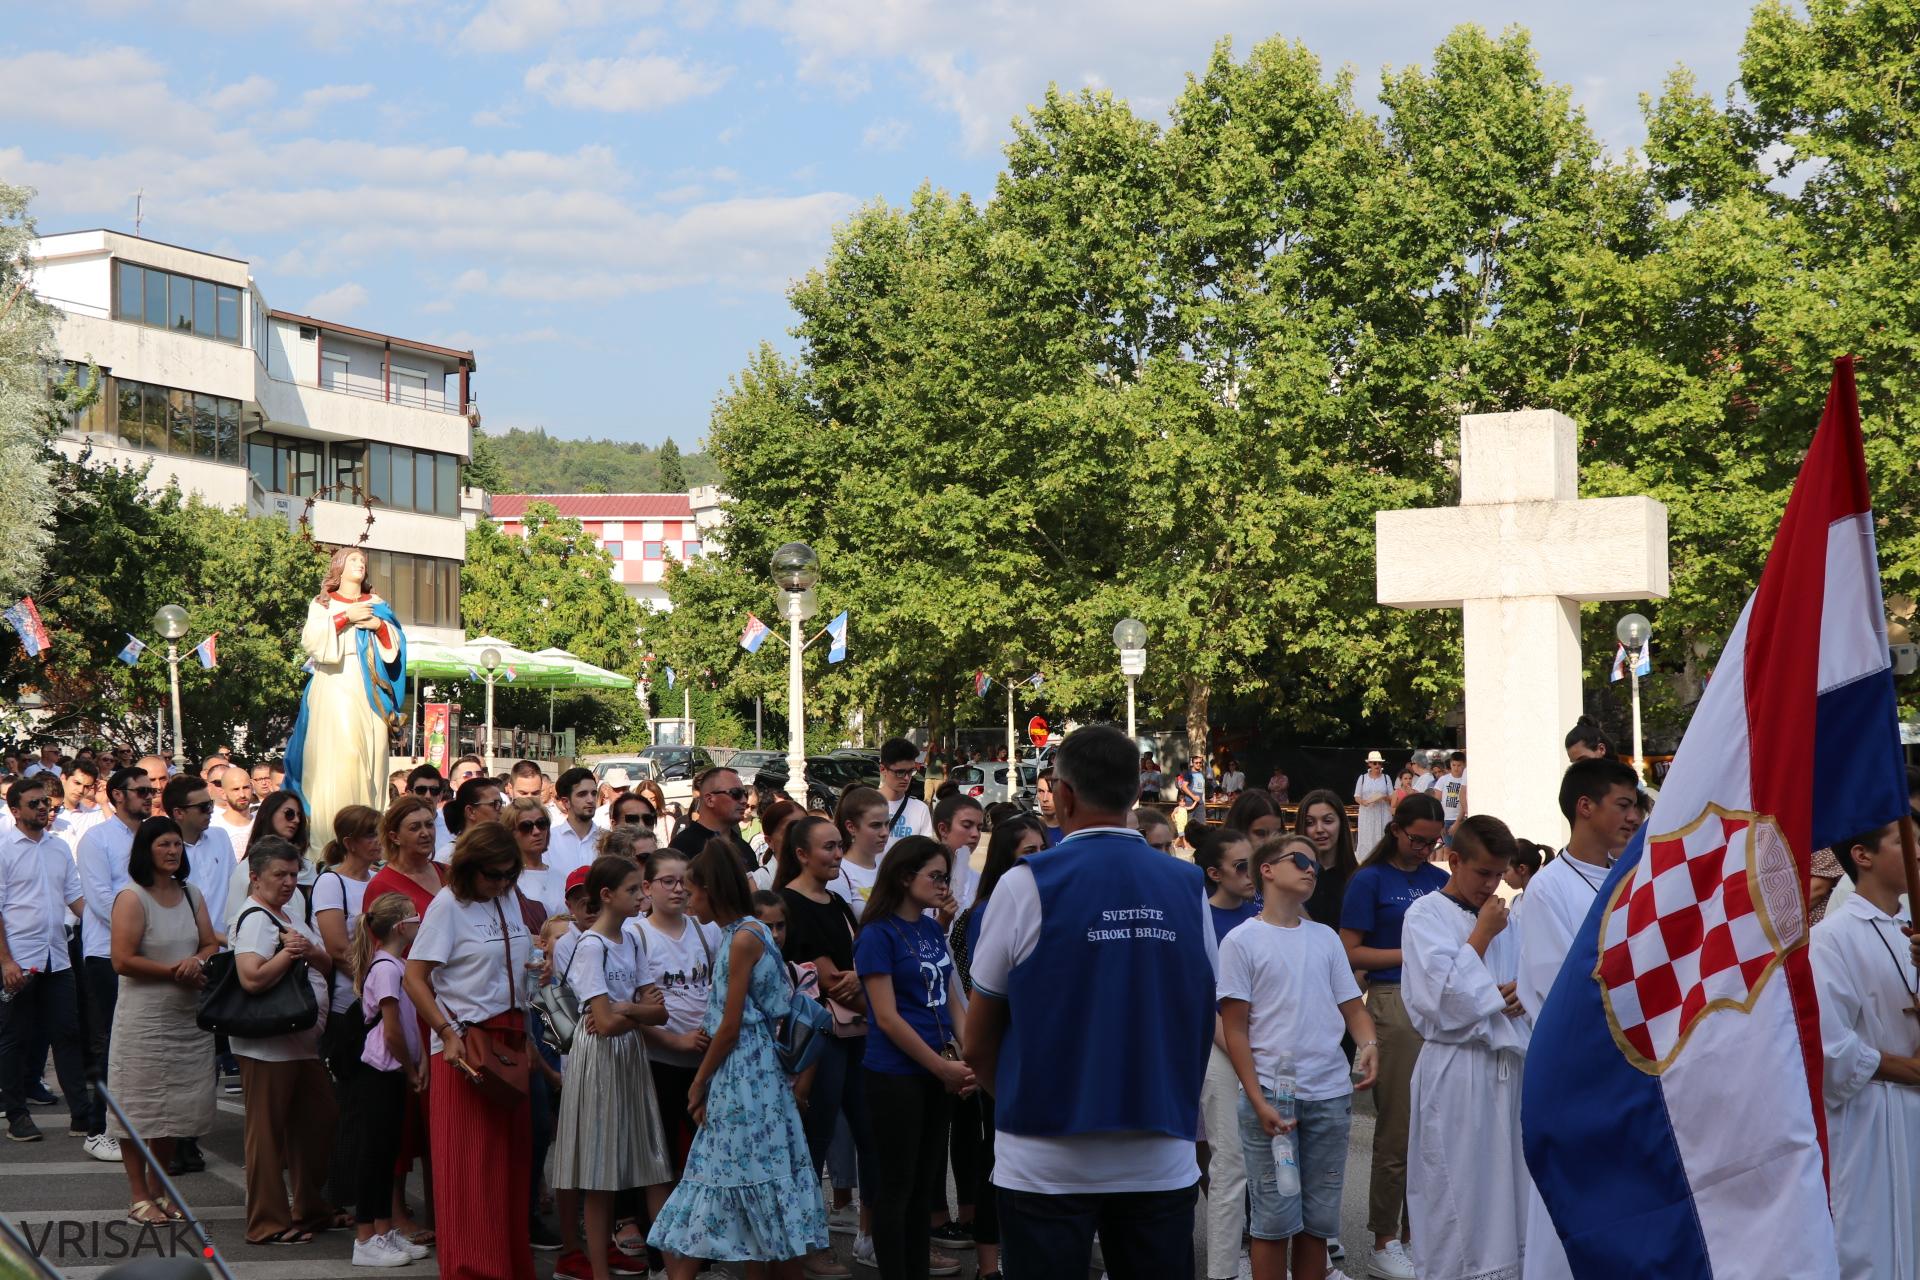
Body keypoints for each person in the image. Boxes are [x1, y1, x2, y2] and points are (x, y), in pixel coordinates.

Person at [965, 725, 1216, 1280]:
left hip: (1044, 1159)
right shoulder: (1187, 886)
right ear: (1135, 792)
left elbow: (978, 1038)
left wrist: (1029, 1101)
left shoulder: (1024, 884)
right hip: (1158, 1153)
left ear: (1066, 794)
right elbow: (1200, 1011)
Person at [648, 842, 830, 1277]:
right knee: (748, 1179)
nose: (688, 902)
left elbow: (730, 1027)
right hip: (756, 1074)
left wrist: (698, 1082)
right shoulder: (748, 931)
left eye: (692, 892)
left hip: (744, 1075)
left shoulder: (742, 938)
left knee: (724, 1176)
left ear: (711, 890)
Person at [1220, 834, 1379, 1280]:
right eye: (1299, 860)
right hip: (1272, 1094)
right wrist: (1256, 1098)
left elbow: (1353, 1009)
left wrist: (1369, 1045)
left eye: (1314, 863)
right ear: (1266, 869)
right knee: (1271, 1223)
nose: (1311, 868)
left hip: (1329, 1095)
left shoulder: (1325, 938)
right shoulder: (1241, 940)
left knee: (1317, 1224)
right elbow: (1235, 1028)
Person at [1515, 756, 1640, 1280]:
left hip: (1631, 1069)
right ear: (1584, 807)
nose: (1634, 817)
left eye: (1637, 806)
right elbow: (1559, 991)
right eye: (1624, 805)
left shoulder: (1630, 878)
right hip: (1581, 1071)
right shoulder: (1549, 889)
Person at [402, 822, 538, 1280]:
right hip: (466, 1047)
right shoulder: (447, 905)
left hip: (512, 1040)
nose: (500, 883)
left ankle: (507, 1266)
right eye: (492, 875)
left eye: (508, 874)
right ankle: (471, 1270)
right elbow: (414, 977)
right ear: (468, 869)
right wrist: (446, 1030)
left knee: (510, 1167)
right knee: (469, 1170)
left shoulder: (506, 896)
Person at [1400, 815, 1530, 1280]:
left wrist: (1513, 993)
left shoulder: (1506, 919)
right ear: (1454, 860)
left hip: (1505, 1070)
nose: (1492, 884)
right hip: (1456, 1070)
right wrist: (1481, 937)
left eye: (1500, 874)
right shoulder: (1425, 916)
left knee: (1508, 1193)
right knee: (1455, 1192)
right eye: (1482, 873)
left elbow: (1515, 991)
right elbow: (1439, 998)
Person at [1337, 790, 1447, 1280]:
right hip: (1392, 999)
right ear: (1396, 830)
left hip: (1440, 1003)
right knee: (1398, 1127)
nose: (1425, 849)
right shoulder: (1370, 879)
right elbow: (1350, 953)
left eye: (1433, 842)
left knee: (1435, 1127)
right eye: (1418, 840)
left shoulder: (1440, 881)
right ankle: (1384, 1238)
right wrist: (1412, 953)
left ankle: (1417, 1233)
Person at [856, 836, 974, 1280]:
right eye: (935, 876)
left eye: (946, 876)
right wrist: (940, 1065)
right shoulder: (876, 934)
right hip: (896, 1074)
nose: (944, 885)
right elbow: (885, 1018)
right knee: (897, 1186)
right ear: (906, 877)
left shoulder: (929, 928)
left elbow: (953, 1003)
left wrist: (970, 1057)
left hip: (937, 1070)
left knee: (925, 1184)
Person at [553, 856, 673, 1280]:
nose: (642, 896)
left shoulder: (631, 940)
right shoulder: (592, 945)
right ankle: (599, 1270)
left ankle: (664, 1265)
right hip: (601, 1060)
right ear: (607, 895)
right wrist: (636, 1011)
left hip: (629, 1054)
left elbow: (660, 1014)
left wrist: (628, 1009)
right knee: (600, 1171)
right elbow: (602, 1024)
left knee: (648, 1162)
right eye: (633, 890)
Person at [1811, 822, 1920, 1280]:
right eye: (1903, 842)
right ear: (1863, 855)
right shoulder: (1832, 937)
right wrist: (1909, 1069)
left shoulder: (1912, 931)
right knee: (1874, 1249)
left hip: (1912, 1110)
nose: (1917, 851)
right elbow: (1829, 1050)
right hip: (1872, 1117)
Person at [945, 813, 1044, 1280]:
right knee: (996, 1158)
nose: (1041, 860)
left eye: (1045, 849)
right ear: (1007, 859)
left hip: (1031, 1048)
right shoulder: (990, 911)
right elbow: (983, 990)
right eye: (1030, 852)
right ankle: (990, 1265)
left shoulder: (1039, 901)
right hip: (1001, 1051)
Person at [107, 815, 219, 1225]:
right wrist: (175, 970)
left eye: (177, 845)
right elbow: (122, 960)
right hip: (144, 1020)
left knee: (176, 1108)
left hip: (186, 1019)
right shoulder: (132, 897)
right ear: (146, 852)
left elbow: (209, 942)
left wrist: (197, 960)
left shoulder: (191, 894)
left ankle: (161, 1190)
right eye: (164, 845)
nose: (173, 852)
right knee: (138, 1108)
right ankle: (139, 1194)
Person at [777, 814, 873, 1277]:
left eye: (840, 846)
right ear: (801, 854)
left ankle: (871, 1238)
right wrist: (849, 981)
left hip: (854, 1032)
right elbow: (825, 979)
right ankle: (807, 1243)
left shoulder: (836, 900)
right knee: (813, 1140)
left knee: (870, 1134)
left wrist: (858, 980)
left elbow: (853, 966)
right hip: (819, 1037)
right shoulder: (787, 905)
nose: (838, 854)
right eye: (828, 847)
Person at [232, 836, 337, 1244]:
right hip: (268, 1046)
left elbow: (325, 963)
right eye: (280, 874)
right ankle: (267, 1223)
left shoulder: (289, 913)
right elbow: (251, 977)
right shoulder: (257, 917)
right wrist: (289, 954)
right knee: (267, 1134)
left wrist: (307, 949)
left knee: (318, 1121)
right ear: (256, 878)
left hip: (300, 1044)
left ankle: (309, 1209)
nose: (290, 881)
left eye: (294, 874)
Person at [286, 546, 408, 853]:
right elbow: (313, 641)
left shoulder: (377, 604)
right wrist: (344, 618)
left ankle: (371, 835)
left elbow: (396, 644)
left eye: (363, 561)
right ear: (339, 566)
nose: (360, 565)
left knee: (373, 755)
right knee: (342, 756)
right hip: (336, 682)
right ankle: (331, 839)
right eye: (353, 560)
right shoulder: (323, 603)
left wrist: (379, 627)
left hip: (371, 689)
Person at [636, 849, 721, 1249]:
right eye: (666, 881)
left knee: (705, 1159)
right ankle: (663, 1253)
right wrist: (675, 1040)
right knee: (662, 1158)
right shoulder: (637, 936)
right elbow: (631, 1011)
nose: (677, 889)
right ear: (647, 887)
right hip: (659, 1061)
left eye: (683, 881)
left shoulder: (706, 931)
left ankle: (702, 1249)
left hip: (705, 1060)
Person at [0, 775, 90, 1146]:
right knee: (14, 1038)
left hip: (57, 957)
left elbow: (76, 898)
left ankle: (82, 1115)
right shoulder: (3, 848)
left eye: (46, 803)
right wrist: (5, 961)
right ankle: (17, 1114)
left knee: (67, 1034)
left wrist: (113, 929)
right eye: (35, 803)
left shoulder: (58, 848)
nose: (43, 808)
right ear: (15, 809)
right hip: (18, 960)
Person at [73, 765, 155, 1161]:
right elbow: (100, 897)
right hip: (107, 952)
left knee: (141, 1042)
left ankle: (134, 1124)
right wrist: (141, 931)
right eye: (140, 790)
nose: (148, 795)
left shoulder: (154, 835)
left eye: (151, 789)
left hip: (150, 951)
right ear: (117, 795)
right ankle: (97, 1128)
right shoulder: (97, 839)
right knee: (110, 1040)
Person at [346, 891, 428, 1269]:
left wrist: (420, 1058)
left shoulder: (397, 964)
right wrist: (411, 1069)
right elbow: (392, 1030)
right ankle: (366, 1237)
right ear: (400, 926)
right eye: (414, 915)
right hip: (379, 1073)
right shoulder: (386, 968)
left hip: (394, 1071)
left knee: (386, 1152)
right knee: (373, 1155)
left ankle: (383, 1229)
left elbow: (409, 1026)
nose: (419, 919)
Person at [1195, 825, 1258, 1280]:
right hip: (1220, 1048)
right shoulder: (1199, 916)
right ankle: (1223, 1267)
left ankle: (1267, 1255)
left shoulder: (1262, 912)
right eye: (1241, 866)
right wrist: (1238, 1051)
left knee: (1274, 1163)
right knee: (1230, 1164)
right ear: (1214, 873)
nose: (1251, 872)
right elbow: (1203, 997)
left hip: (1264, 1045)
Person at [314, 803, 381, 1221]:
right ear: (350, 842)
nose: (380, 842)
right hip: (349, 1005)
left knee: (373, 1104)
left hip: (378, 1001)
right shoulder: (330, 883)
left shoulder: (377, 880)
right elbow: (337, 948)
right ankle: (339, 1192)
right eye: (373, 834)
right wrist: (379, 977)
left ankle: (361, 1190)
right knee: (350, 1101)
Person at [227, 792, 310, 937]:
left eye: (299, 815)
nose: (296, 820)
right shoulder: (247, 868)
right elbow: (239, 925)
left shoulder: (308, 868)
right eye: (289, 814)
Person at [367, 797, 447, 920]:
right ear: (395, 837)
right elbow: (375, 937)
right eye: (414, 828)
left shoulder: (448, 872)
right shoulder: (382, 886)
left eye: (429, 825)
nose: (425, 833)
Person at [1293, 789, 1359, 930]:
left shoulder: (1358, 878)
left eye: (1328, 821)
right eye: (1310, 823)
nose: (1319, 829)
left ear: (1341, 824)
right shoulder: (1289, 876)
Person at [670, 768, 755, 870]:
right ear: (710, 800)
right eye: (735, 793)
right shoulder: (682, 847)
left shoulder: (744, 848)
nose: (744, 800)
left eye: (745, 794)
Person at [505, 797, 566, 923]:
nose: (537, 831)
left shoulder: (561, 877)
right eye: (526, 827)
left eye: (541, 823)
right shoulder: (504, 880)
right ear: (510, 833)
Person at [931, 793, 985, 917]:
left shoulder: (979, 882)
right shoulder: (919, 878)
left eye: (979, 828)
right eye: (967, 825)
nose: (975, 834)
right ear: (943, 829)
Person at [877, 739, 933, 853]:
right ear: (883, 769)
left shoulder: (920, 809)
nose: (906, 778)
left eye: (910, 771)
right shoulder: (865, 804)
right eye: (900, 772)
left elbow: (925, 854)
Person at [549, 768, 607, 878]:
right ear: (566, 802)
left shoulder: (608, 839)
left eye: (594, 793)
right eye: (582, 794)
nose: (590, 799)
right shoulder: (549, 841)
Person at [751, 798, 802, 890]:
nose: (798, 837)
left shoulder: (822, 876)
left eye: (804, 829)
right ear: (769, 841)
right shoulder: (757, 883)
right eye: (789, 831)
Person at [1353, 752, 1393, 854]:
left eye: (1379, 763)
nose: (1378, 765)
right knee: (1367, 837)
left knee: (1382, 836)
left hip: (1382, 812)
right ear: (1369, 764)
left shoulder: (1386, 778)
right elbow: (1357, 796)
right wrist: (1363, 802)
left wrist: (1383, 797)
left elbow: (1392, 797)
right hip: (1367, 813)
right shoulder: (1362, 778)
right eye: (1375, 763)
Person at [1174, 754, 1207, 842]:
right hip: (1189, 801)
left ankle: (1201, 841)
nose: (1198, 764)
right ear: (1192, 763)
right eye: (1196, 763)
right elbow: (1184, 787)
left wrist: (1201, 799)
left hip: (1200, 802)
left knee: (1201, 823)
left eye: (1200, 763)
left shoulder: (1201, 773)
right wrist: (1193, 796)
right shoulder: (1188, 773)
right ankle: (1185, 842)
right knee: (1187, 823)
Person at [1503, 839, 1543, 910]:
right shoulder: (1515, 901)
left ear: (1522, 869)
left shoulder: (1541, 901)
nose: (1502, 878)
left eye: (1505, 871)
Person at [1435, 753, 1467, 838]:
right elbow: (1436, 802)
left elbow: (1465, 801)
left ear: (1464, 764)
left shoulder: (1466, 780)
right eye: (1454, 765)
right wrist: (1440, 822)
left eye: (1459, 765)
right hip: (1446, 819)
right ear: (1450, 764)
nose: (1456, 768)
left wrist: (1457, 822)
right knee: (1447, 849)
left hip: (1462, 819)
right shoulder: (1443, 779)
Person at [1033, 770, 1063, 847]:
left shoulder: (1075, 831)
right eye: (1041, 791)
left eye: (1051, 791)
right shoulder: (1030, 829)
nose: (1045, 798)